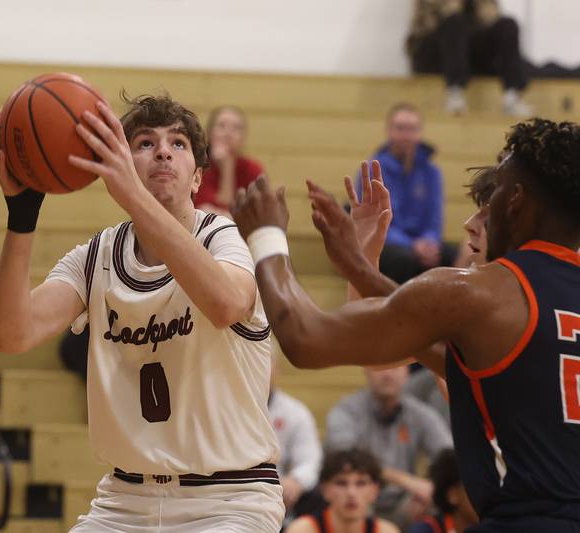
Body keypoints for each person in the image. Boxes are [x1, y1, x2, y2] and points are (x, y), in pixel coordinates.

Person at [231, 117, 580, 531]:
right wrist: (361, 269)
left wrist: (265, 236)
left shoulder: (481, 294)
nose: (474, 222)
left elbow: (306, 340)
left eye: (492, 200)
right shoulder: (513, 310)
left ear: (516, 200)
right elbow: (431, 340)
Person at [0, 94, 283, 531]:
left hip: (230, 499)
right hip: (124, 500)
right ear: (119, 163)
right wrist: (22, 215)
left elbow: (225, 303)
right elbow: (12, 334)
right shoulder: (97, 256)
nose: (163, 150)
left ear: (197, 178)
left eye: (178, 144)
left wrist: (132, 195)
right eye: (144, 143)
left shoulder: (224, 238)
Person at [325, 367, 452, 529]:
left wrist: (431, 486)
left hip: (404, 503)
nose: (387, 373)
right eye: (380, 366)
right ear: (366, 370)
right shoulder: (345, 411)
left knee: (441, 499)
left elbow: (448, 458)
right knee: (350, 492)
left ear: (407, 373)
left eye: (396, 366)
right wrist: (407, 481)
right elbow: (345, 459)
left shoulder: (419, 413)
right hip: (358, 494)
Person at [365, 103, 456, 285]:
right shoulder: (373, 170)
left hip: (421, 243)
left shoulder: (432, 172)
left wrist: (430, 242)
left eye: (412, 129)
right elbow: (374, 223)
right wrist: (412, 245)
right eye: (400, 128)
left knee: (458, 257)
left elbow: (435, 218)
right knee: (402, 259)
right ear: (388, 131)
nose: (406, 135)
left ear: (420, 132)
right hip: (387, 244)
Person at [406, 0, 531, 116]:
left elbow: (491, 17)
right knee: (455, 22)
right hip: (436, 55)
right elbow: (424, 25)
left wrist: (484, 13)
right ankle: (455, 92)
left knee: (508, 24)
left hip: (468, 57)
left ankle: (511, 95)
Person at [287, 449, 399, 533]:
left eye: (361, 483)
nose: (351, 493)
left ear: (375, 490)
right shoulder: (301, 530)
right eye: (341, 483)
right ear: (325, 489)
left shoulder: (387, 531)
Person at [268, 351, 323, 517]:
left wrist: (296, 480)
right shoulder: (219, 409)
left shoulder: (295, 412)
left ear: (277, 370)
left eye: (265, 362)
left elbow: (310, 460)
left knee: (317, 496)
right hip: (232, 492)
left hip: (281, 492)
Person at [194, 106, 265, 217]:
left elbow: (259, 215)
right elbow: (202, 213)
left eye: (236, 128)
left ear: (242, 138)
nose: (228, 133)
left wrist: (227, 167)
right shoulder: (198, 167)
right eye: (221, 126)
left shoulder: (253, 169)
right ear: (209, 133)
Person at [409, 449, 480, 533]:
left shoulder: (492, 525)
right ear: (453, 495)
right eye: (476, 486)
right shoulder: (425, 530)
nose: (484, 495)